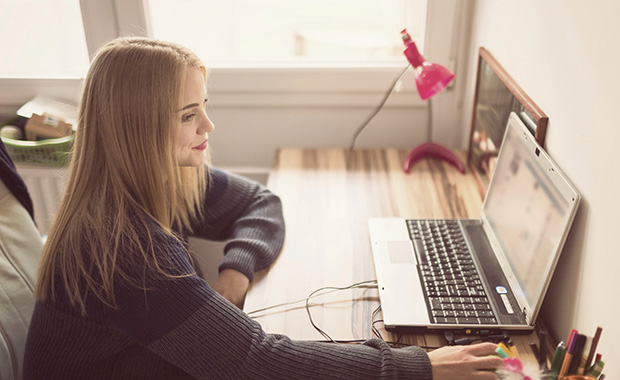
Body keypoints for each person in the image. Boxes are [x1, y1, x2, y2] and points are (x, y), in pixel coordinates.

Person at [22, 37, 503, 379]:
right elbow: (255, 362)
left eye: (203, 105)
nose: (208, 125)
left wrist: (237, 268)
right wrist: (418, 366)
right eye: (189, 115)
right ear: (138, 128)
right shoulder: (126, 249)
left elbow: (260, 201)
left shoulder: (153, 180)